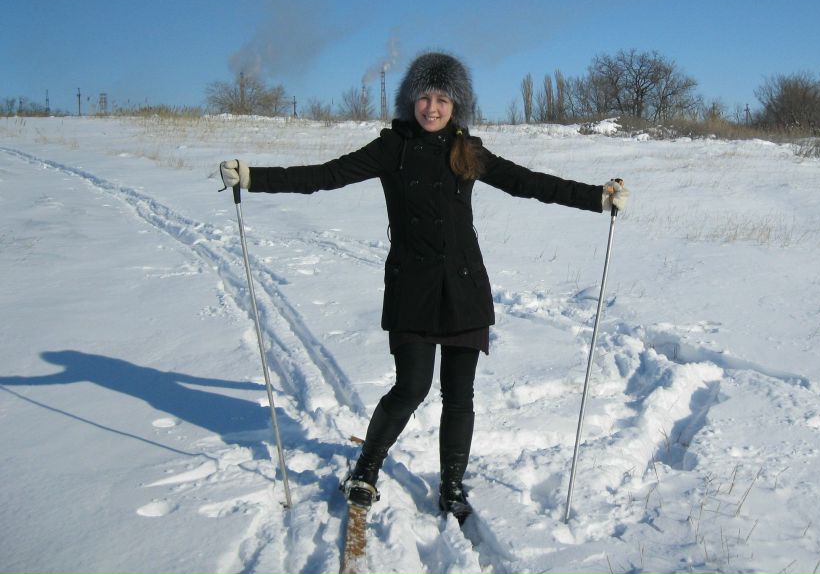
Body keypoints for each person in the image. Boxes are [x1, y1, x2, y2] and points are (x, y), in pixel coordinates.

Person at [220, 51, 629, 523]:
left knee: (460, 395)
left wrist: (597, 198)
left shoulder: (467, 150)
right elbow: (324, 176)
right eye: (423, 97)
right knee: (410, 387)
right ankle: (366, 469)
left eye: (442, 99)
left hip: (463, 289)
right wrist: (255, 178)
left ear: (457, 105)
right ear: (410, 100)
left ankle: (452, 486)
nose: (431, 108)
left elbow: (528, 183)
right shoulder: (391, 148)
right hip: (412, 288)